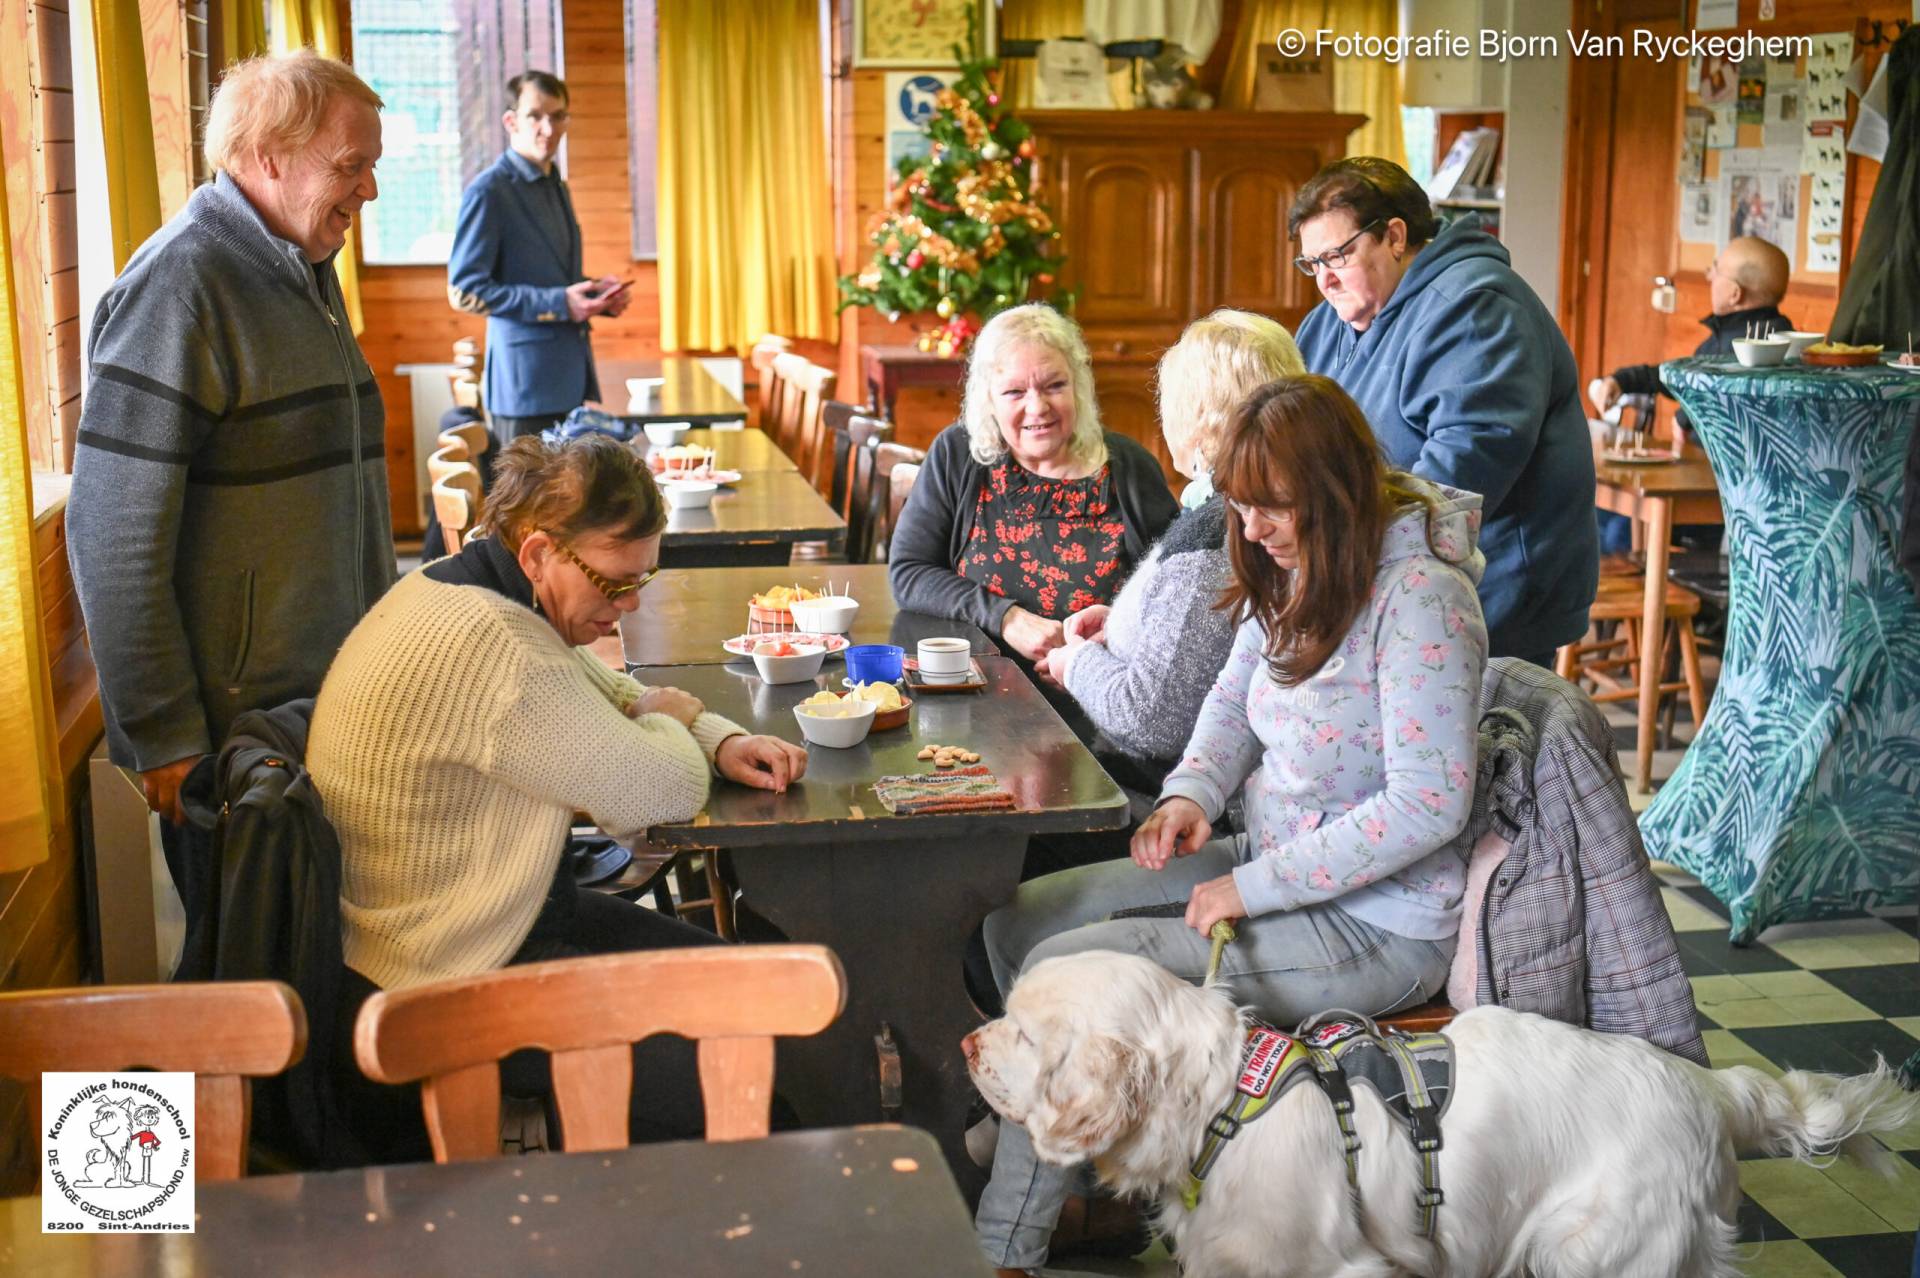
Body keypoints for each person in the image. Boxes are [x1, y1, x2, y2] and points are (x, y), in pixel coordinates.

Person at [972, 374, 1489, 1275]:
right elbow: (1231, 702)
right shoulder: (1291, 564)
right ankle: (1087, 1164)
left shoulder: (1422, 603)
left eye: (1271, 508)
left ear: (1334, 494)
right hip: (1275, 856)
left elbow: (1427, 806)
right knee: (1014, 924)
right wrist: (1190, 797)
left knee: (1063, 968)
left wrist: (1247, 887)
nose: (1250, 530)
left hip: (1382, 920)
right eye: (1240, 507)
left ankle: (1005, 1248)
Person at [308, 433, 809, 1159]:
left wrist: (717, 739)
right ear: (539, 554)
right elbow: (656, 791)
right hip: (445, 975)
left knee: (752, 996)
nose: (628, 606)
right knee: (751, 1078)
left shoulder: (460, 587)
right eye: (613, 583)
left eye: (643, 579)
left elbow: (609, 689)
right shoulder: (499, 649)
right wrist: (670, 722)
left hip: (465, 928)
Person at [67, 50, 394, 833]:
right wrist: (163, 734)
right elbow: (111, 534)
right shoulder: (181, 286)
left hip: (326, 701)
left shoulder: (302, 267)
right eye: (352, 165)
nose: (370, 191)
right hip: (240, 737)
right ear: (266, 156)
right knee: (258, 948)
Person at [1290, 156, 1596, 668]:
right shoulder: (1330, 321)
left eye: (1336, 256)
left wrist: (1337, 549)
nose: (1324, 280)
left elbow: (1460, 474)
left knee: (1469, 749)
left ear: (1394, 235)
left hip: (1489, 598)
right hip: (1379, 579)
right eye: (1311, 263)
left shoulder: (1477, 307)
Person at [1038, 310, 1303, 801]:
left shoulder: (1219, 527)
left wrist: (1075, 662)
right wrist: (1123, 626)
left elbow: (1152, 722)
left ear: (1196, 414)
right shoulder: (1261, 503)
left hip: (1150, 793)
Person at [887, 303, 1179, 674]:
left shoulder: (1130, 468)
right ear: (988, 398)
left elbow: (1175, 597)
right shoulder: (958, 454)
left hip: (1098, 699)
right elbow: (910, 572)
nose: (1037, 407)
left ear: (1080, 386)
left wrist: (1094, 662)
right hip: (978, 693)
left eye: (1054, 385)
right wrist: (1006, 617)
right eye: (1014, 392)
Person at [447, 70, 628, 439]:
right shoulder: (489, 192)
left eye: (558, 116)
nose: (549, 128)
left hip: (568, 380)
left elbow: (553, 278)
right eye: (536, 116)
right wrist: (561, 302)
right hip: (524, 389)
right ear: (511, 121)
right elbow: (464, 290)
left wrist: (595, 296)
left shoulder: (555, 185)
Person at [1591, 236, 1792, 555]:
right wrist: (1622, 380)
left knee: (1613, 525)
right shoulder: (1733, 336)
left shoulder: (1757, 351)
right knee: (1597, 510)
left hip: (1717, 500)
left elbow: (1714, 401)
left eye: (1716, 270)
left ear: (1735, 293)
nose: (1709, 275)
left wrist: (1684, 419)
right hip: (1691, 481)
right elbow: (1680, 376)